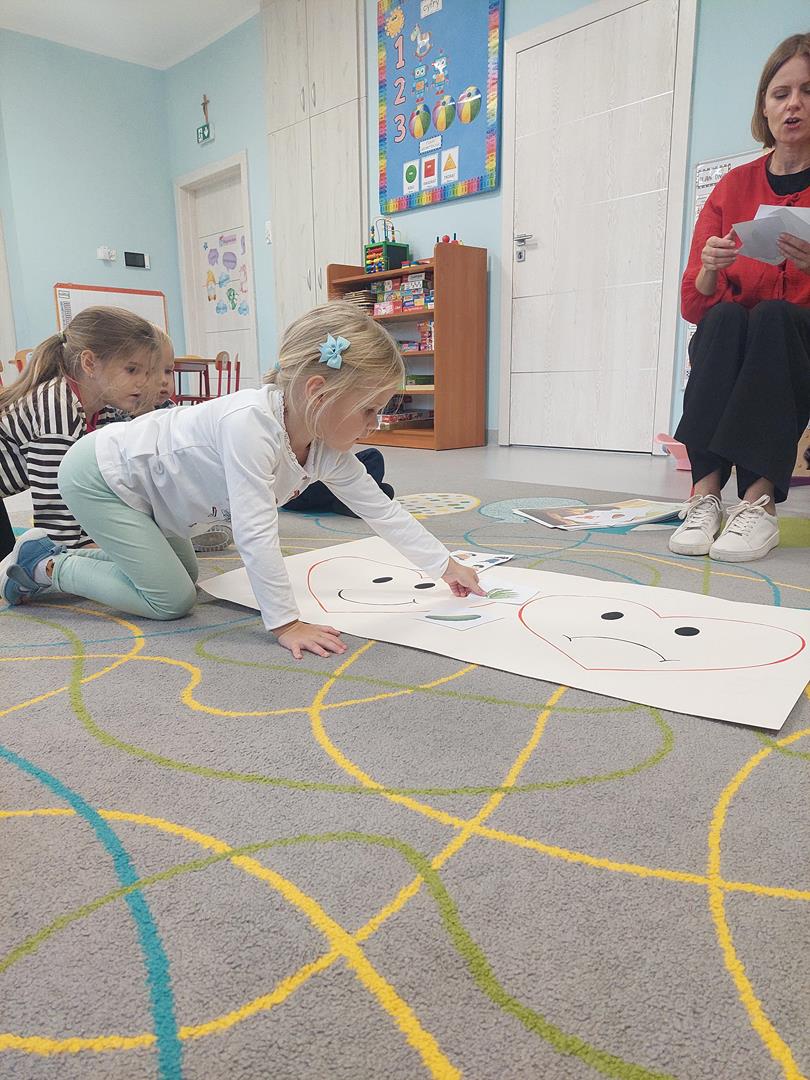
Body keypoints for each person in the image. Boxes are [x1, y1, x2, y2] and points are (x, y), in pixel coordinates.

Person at [0, 302, 484, 659]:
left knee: (185, 575)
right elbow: (255, 531)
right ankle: (46, 565)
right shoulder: (251, 425)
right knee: (172, 599)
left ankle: (67, 555)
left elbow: (382, 510)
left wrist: (446, 566)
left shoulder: (325, 449)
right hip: (99, 476)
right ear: (317, 393)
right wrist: (285, 623)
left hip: (151, 494)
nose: (375, 425)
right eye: (368, 410)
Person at [671, 32, 810, 562]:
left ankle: (757, 504)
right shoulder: (733, 187)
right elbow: (694, 304)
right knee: (725, 319)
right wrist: (710, 270)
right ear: (764, 107)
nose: (794, 104)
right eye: (781, 93)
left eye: (808, 91)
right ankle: (705, 494)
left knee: (773, 317)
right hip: (737, 341)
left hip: (797, 343)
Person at [0, 307, 163, 558]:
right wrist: (83, 552)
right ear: (89, 363)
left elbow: (93, 486)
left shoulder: (104, 409)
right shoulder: (57, 411)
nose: (143, 382)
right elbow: (55, 516)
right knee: (24, 567)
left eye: (148, 372)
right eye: (132, 370)